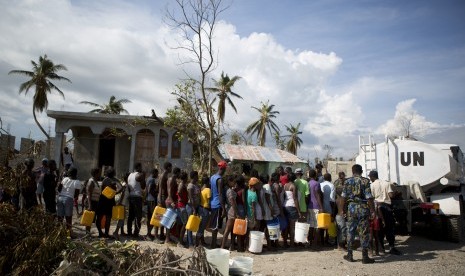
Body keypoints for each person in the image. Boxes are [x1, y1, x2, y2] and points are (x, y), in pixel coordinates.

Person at [342, 164, 376, 264]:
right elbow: (369, 197)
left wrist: (343, 210)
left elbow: (343, 197)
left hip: (351, 208)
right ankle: (365, 257)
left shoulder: (347, 181)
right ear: (361, 171)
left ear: (352, 171)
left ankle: (349, 255)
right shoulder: (365, 181)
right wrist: (373, 210)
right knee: (364, 232)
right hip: (363, 208)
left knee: (350, 231)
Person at [369, 170, 402, 255]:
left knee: (379, 229)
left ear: (372, 177)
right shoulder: (386, 183)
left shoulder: (371, 185)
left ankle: (381, 248)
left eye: (370, 177)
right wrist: (396, 193)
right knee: (389, 228)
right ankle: (392, 247)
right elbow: (391, 195)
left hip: (377, 208)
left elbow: (371, 198)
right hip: (387, 207)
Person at [57, 167, 81, 237]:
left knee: (60, 217)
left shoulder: (64, 179)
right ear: (76, 174)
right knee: (68, 217)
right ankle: (69, 234)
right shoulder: (77, 182)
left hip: (60, 198)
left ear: (68, 173)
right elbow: (76, 194)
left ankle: (59, 233)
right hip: (69, 199)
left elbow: (59, 188)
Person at [209, 160, 228, 249]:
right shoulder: (220, 180)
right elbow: (220, 194)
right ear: (223, 169)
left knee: (214, 225)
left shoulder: (212, 177)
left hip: (212, 203)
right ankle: (213, 244)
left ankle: (213, 243)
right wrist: (223, 208)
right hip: (217, 205)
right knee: (216, 226)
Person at [97, 167, 119, 238]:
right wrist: (116, 191)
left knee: (100, 217)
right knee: (107, 218)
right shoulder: (113, 180)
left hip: (103, 200)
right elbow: (120, 188)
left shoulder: (105, 180)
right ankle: (105, 233)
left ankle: (101, 233)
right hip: (109, 200)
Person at [282, 173, 301, 248]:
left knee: (286, 226)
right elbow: (295, 199)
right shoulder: (293, 186)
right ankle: (292, 244)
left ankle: (285, 243)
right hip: (292, 207)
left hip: (285, 205)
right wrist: (299, 211)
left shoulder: (285, 185)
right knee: (292, 227)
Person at [127, 163, 146, 238]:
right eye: (141, 167)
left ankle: (129, 232)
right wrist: (144, 176)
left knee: (130, 216)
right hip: (137, 197)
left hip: (131, 196)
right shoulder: (139, 175)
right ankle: (136, 233)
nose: (142, 168)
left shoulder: (130, 175)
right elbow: (143, 186)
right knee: (138, 216)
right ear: (138, 167)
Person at [307, 169, 324, 249]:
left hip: (309, 206)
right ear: (315, 175)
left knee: (311, 225)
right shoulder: (317, 184)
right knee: (317, 225)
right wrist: (321, 207)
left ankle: (310, 241)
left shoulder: (308, 183)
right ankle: (315, 243)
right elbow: (318, 195)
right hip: (316, 206)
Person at [221, 175, 239, 250]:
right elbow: (232, 203)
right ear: (229, 182)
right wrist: (236, 212)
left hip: (230, 210)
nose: (235, 183)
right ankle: (222, 246)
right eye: (233, 181)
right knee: (228, 229)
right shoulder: (230, 191)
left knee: (231, 230)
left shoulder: (228, 190)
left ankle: (230, 246)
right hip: (232, 211)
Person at [165, 166, 181, 244]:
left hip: (170, 201)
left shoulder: (171, 179)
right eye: (179, 173)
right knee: (169, 221)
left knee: (171, 221)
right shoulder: (172, 180)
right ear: (177, 173)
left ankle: (169, 237)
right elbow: (169, 192)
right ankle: (167, 239)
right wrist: (172, 202)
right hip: (170, 202)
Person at [158, 162, 172, 241]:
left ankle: (161, 234)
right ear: (168, 167)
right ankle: (161, 235)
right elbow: (160, 188)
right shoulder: (163, 175)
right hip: (163, 197)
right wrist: (160, 199)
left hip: (163, 197)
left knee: (163, 216)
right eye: (171, 167)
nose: (171, 169)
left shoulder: (165, 175)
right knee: (163, 216)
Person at [320, 173, 336, 245]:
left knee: (321, 223)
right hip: (329, 206)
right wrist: (333, 211)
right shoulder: (332, 185)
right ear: (330, 178)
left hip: (321, 207)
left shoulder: (320, 184)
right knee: (328, 224)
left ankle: (321, 241)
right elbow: (332, 199)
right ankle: (327, 240)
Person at [186, 170, 200, 249]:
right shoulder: (190, 186)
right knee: (190, 226)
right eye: (197, 176)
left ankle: (190, 242)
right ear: (194, 176)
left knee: (193, 225)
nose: (198, 177)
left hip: (196, 206)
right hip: (191, 207)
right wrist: (194, 209)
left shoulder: (196, 185)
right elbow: (191, 199)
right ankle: (190, 244)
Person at [113, 172, 130, 238]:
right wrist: (119, 202)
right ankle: (116, 232)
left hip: (123, 203)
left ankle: (121, 231)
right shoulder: (125, 185)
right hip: (122, 203)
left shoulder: (126, 185)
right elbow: (122, 194)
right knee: (121, 218)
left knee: (122, 218)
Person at [196, 175, 211, 246]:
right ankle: (197, 242)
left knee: (201, 226)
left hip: (200, 208)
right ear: (208, 182)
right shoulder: (208, 190)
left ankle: (202, 241)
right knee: (202, 227)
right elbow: (209, 201)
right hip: (205, 210)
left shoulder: (201, 189)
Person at [85, 168, 101, 235]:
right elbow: (89, 194)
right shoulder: (91, 181)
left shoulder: (96, 181)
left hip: (95, 202)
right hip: (91, 202)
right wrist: (89, 205)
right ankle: (87, 233)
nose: (100, 174)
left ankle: (88, 233)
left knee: (92, 218)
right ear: (96, 174)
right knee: (89, 219)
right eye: (99, 173)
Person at [176, 171, 189, 247]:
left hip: (180, 206)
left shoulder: (181, 184)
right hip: (182, 206)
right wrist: (182, 199)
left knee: (180, 223)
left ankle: (179, 239)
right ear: (185, 178)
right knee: (185, 223)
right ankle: (180, 242)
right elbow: (179, 192)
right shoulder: (182, 184)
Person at [146, 168, 159, 240]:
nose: (157, 175)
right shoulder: (152, 180)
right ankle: (149, 234)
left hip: (148, 199)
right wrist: (156, 195)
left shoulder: (148, 179)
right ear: (154, 173)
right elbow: (150, 189)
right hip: (152, 200)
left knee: (149, 218)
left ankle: (149, 233)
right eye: (157, 173)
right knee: (153, 217)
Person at [335, 178, 347, 250]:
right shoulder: (343, 200)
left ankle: (339, 245)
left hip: (337, 216)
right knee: (342, 232)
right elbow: (345, 209)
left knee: (338, 231)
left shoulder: (336, 200)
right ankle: (341, 246)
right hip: (342, 216)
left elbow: (334, 209)